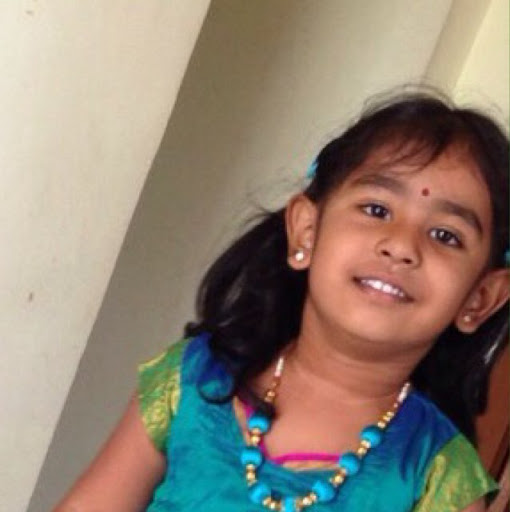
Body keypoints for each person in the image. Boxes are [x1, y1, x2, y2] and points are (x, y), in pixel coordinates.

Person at [55, 91, 509, 512]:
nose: (401, 245)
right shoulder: (193, 381)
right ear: (306, 232)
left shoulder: (438, 474)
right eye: (377, 210)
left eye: (446, 235)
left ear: (480, 298)